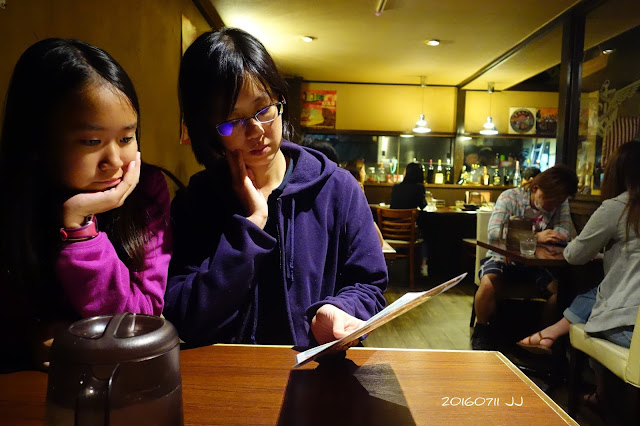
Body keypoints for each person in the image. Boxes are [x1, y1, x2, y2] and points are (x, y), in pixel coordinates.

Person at [165, 28, 387, 348]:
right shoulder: (196, 202)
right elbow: (185, 315)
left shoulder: (338, 189)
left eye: (264, 109)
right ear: (208, 130)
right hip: (225, 370)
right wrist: (251, 225)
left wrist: (341, 310)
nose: (256, 130)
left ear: (280, 100)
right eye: (233, 120)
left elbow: (368, 285)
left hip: (317, 366)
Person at [0, 39, 173, 370]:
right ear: (37, 140)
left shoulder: (147, 192)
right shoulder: (14, 200)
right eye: (92, 141)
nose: (115, 161)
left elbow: (141, 319)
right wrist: (29, 341)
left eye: (126, 138)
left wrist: (81, 233)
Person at [516, 141, 640, 407]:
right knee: (599, 293)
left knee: (600, 312)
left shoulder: (618, 207)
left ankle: (601, 393)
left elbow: (574, 254)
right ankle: (601, 392)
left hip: (631, 328)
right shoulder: (512, 197)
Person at [471, 164, 578, 350]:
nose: (552, 206)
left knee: (558, 292)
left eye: (557, 202)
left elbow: (564, 231)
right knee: (488, 284)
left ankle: (541, 338)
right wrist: (536, 237)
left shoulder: (560, 203)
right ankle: (481, 332)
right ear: (535, 189)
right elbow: (494, 232)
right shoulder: (510, 197)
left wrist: (548, 236)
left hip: (534, 264)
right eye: (549, 200)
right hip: (502, 257)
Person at [390, 162, 429, 276]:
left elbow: (392, 206)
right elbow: (423, 205)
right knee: (427, 234)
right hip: (408, 231)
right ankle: (424, 266)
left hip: (392, 230)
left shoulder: (396, 187)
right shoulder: (419, 187)